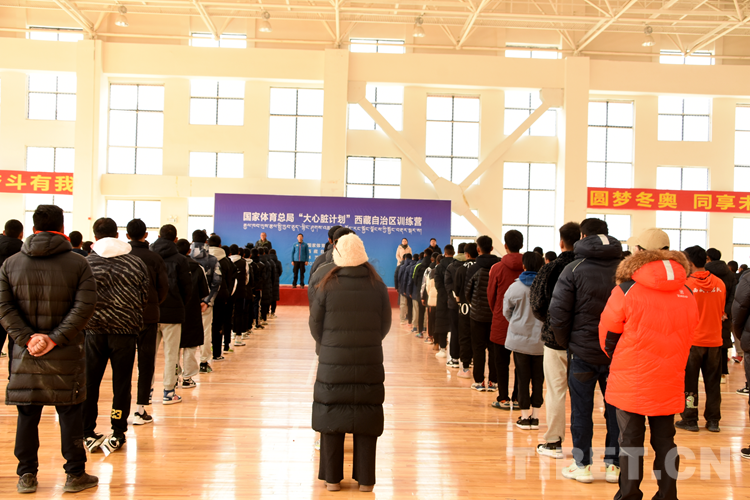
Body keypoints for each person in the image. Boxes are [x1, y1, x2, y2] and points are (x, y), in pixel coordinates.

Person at [0, 205, 98, 494]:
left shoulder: (10, 264)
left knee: (27, 414)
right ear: (62, 228)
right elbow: (85, 306)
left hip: (25, 354)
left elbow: (4, 307)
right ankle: (74, 474)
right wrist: (54, 339)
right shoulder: (79, 264)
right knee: (70, 412)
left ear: (32, 229)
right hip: (66, 353)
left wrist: (28, 339)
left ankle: (27, 475)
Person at [599, 247, 698, 500]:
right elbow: (691, 332)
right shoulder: (686, 291)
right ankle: (668, 495)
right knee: (666, 441)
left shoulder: (626, 290)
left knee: (630, 441)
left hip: (631, 377)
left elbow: (608, 334)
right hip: (669, 376)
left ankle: (629, 494)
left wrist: (621, 358)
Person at [309, 233, 391, 492]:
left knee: (331, 415)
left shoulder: (327, 284)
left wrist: (329, 344)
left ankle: (332, 479)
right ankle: (365, 481)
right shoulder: (377, 285)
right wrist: (369, 340)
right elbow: (385, 324)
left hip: (332, 361)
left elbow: (315, 324)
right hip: (369, 360)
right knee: (366, 418)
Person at [550, 218, 622, 483]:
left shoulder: (573, 268)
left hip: (581, 352)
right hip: (617, 353)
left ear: (582, 236)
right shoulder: (625, 269)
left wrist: (567, 343)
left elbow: (558, 314)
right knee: (616, 410)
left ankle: (582, 465)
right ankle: (614, 465)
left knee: (581, 410)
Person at [83, 217, 149, 455]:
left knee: (90, 382)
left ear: (95, 236)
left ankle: (87, 431)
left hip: (93, 331)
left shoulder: (87, 262)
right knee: (121, 383)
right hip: (126, 331)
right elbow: (144, 296)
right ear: (118, 235)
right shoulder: (136, 263)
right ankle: (118, 431)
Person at [530, 222, 580, 458]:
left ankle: (553, 442)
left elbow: (537, 304)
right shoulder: (588, 267)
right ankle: (583, 448)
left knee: (555, 391)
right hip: (584, 342)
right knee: (582, 394)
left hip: (554, 340)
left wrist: (551, 322)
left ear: (561, 242)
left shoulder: (550, 269)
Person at [676, 245, 726, 433]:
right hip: (715, 341)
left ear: (689, 262)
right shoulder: (720, 284)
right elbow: (721, 311)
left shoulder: (685, 285)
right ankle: (713, 421)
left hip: (692, 342)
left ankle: (690, 419)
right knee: (713, 384)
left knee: (690, 384)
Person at [126, 218, 169, 425]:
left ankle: (120, 410)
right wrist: (153, 303)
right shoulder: (154, 258)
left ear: (127, 236)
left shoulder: (123, 256)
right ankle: (140, 408)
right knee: (146, 362)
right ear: (146, 235)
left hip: (124, 317)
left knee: (124, 363)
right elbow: (163, 288)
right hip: (148, 315)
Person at [151, 224, 192, 405]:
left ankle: (146, 392)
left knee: (148, 355)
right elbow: (187, 288)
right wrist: (180, 304)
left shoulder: (149, 256)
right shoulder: (180, 260)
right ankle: (168, 392)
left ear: (159, 236)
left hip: (150, 313)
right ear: (175, 239)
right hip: (173, 312)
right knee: (171, 354)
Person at [504, 252, 545, 430]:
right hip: (541, 341)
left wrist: (517, 323)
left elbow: (506, 311)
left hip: (519, 341)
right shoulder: (546, 287)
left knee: (522, 378)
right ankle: (536, 417)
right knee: (538, 379)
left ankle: (525, 416)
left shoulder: (515, 288)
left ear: (524, 266)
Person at [487, 230, 524, 408]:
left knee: (501, 362)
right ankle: (517, 398)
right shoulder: (529, 267)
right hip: (524, 322)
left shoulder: (497, 268)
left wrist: (497, 311)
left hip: (501, 321)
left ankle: (502, 398)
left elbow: (491, 296)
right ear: (522, 245)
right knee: (521, 363)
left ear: (505, 246)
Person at [465, 235, 500, 392]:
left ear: (478, 249)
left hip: (477, 315)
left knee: (478, 348)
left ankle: (479, 381)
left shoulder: (472, 268)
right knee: (493, 348)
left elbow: (467, 292)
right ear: (492, 248)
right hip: (495, 315)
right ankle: (493, 381)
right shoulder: (499, 266)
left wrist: (474, 303)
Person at [177, 239, 209, 389]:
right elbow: (204, 291)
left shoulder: (168, 265)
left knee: (173, 347)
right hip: (192, 310)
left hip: (173, 310)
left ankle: (173, 377)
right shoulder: (197, 267)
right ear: (189, 251)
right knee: (190, 345)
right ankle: (187, 378)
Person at [191, 230, 222, 373]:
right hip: (205, 304)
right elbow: (217, 282)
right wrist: (208, 301)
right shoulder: (212, 260)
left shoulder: (184, 258)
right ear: (206, 242)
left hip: (187, 303)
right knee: (205, 332)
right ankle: (203, 362)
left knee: (185, 333)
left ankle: (181, 366)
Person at [705, 248, 736, 384]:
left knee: (706, 343)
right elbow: (733, 295)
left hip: (709, 312)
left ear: (708, 258)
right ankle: (723, 373)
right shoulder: (729, 274)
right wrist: (726, 312)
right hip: (725, 315)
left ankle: (708, 373)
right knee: (723, 341)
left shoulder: (706, 273)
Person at [208, 235, 236, 358]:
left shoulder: (203, 258)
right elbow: (230, 280)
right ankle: (216, 353)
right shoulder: (226, 261)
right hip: (220, 296)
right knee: (218, 323)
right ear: (220, 245)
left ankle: (204, 354)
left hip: (205, 296)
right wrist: (226, 294)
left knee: (205, 325)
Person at [453, 243, 477, 378]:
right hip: (479, 309)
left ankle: (465, 368)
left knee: (464, 337)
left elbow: (456, 290)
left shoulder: (461, 269)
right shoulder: (481, 268)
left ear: (466, 254)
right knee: (478, 339)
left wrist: (459, 300)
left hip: (464, 308)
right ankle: (477, 366)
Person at [0, 219, 23, 358]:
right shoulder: (24, 252)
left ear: (4, 232)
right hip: (17, 304)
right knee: (16, 347)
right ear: (21, 234)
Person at [444, 243, 466, 367]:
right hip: (469, 305)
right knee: (467, 331)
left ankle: (455, 359)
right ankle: (468, 358)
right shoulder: (472, 266)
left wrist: (454, 298)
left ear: (457, 251)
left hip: (454, 304)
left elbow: (447, 285)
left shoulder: (451, 267)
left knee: (455, 330)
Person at [434, 245, 454, 360]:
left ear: (444, 253)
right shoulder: (457, 265)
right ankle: (454, 352)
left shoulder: (439, 267)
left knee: (442, 325)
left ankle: (442, 349)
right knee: (455, 325)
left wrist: (445, 297)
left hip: (442, 300)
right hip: (455, 300)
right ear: (454, 252)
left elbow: (438, 285)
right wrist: (451, 296)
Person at [228, 244, 249, 346]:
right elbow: (247, 278)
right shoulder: (244, 263)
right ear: (239, 252)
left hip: (228, 292)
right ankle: (238, 338)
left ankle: (227, 338)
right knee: (239, 313)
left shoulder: (226, 261)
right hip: (240, 291)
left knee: (228, 314)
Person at [412, 248, 434, 339]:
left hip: (420, 292)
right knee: (431, 315)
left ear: (424, 255)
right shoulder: (432, 267)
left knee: (421, 313)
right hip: (430, 294)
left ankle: (420, 332)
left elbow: (414, 279)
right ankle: (430, 333)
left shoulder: (418, 266)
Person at [269, 249, 282, 317]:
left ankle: (266, 313)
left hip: (268, 281)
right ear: (275, 254)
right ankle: (272, 312)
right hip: (275, 281)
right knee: (274, 298)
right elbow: (280, 271)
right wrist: (276, 276)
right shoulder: (278, 262)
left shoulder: (267, 261)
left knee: (267, 297)